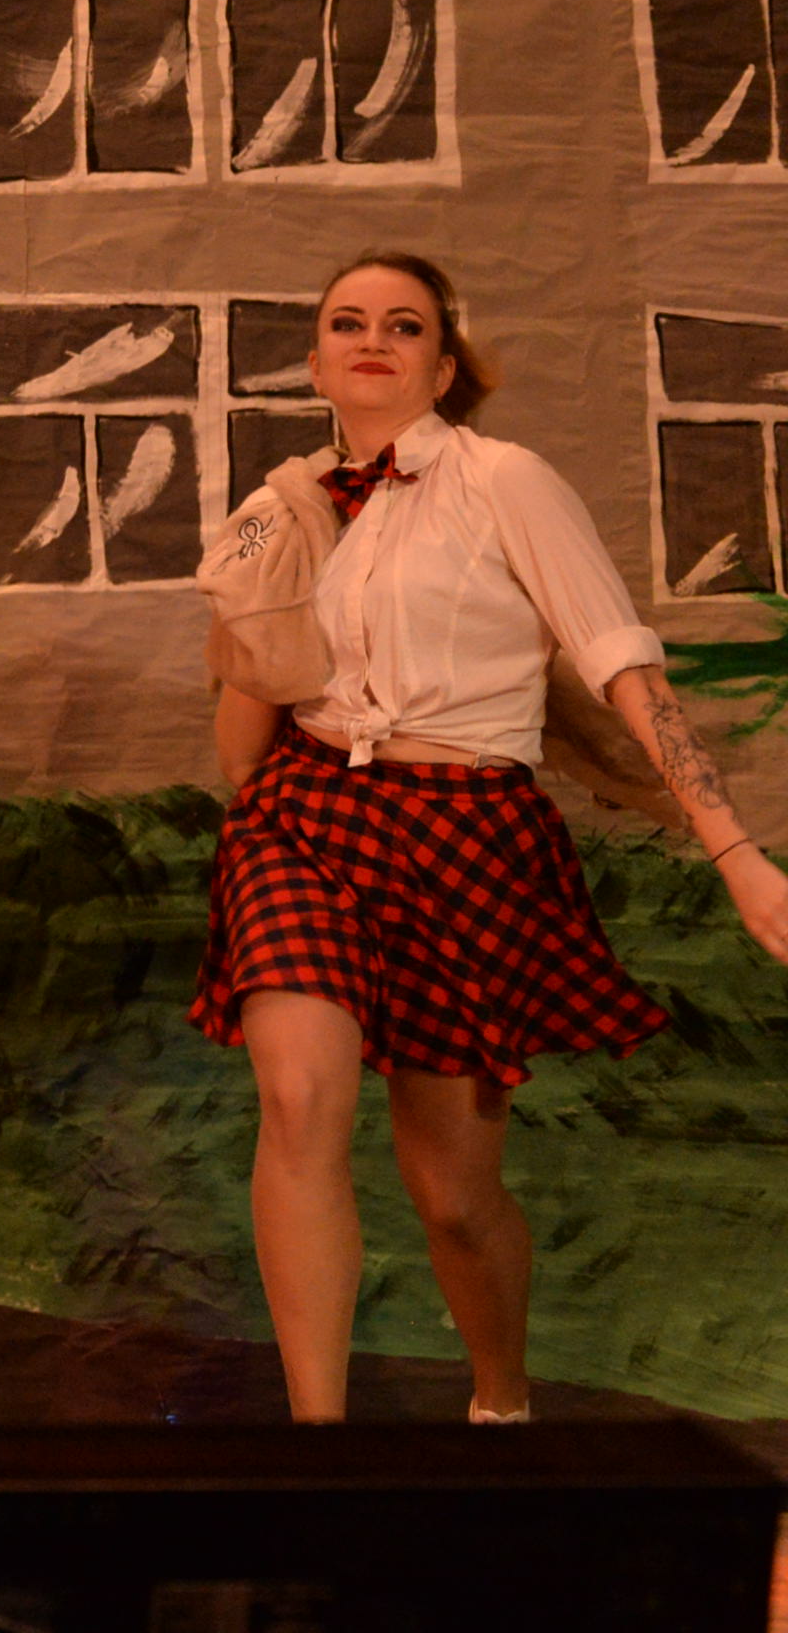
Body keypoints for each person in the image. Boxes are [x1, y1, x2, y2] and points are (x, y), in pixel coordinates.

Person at [193, 250, 788, 1423]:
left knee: (455, 1196)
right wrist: (254, 631)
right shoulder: (279, 508)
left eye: (403, 324)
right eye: (347, 322)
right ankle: (318, 1450)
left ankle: (501, 1406)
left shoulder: (506, 480)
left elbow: (624, 666)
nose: (373, 339)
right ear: (313, 362)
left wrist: (736, 852)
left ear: (443, 365)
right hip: (305, 816)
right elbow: (244, 739)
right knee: (299, 1098)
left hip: (466, 831)